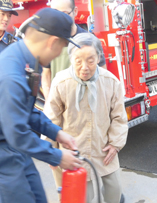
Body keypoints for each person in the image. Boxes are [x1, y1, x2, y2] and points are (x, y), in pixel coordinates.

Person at [0, 7, 82, 203]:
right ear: (52, 43)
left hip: (10, 144)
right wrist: (57, 156)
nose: (60, 54)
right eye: (62, 48)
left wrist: (56, 133)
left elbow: (24, 111)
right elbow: (17, 133)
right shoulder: (11, 75)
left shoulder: (27, 60)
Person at [43, 32, 128, 203]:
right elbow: (51, 119)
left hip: (103, 150)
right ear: (71, 59)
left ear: (98, 58)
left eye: (90, 60)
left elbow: (119, 117)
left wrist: (115, 144)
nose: (84, 67)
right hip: (73, 153)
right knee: (81, 198)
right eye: (78, 61)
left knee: (115, 192)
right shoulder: (61, 82)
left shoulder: (111, 82)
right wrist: (50, 151)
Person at [41, 0, 106, 99]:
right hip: (60, 105)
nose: (60, 19)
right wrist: (49, 101)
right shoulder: (49, 41)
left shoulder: (90, 40)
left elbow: (103, 75)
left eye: (65, 13)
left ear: (75, 11)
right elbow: (46, 73)